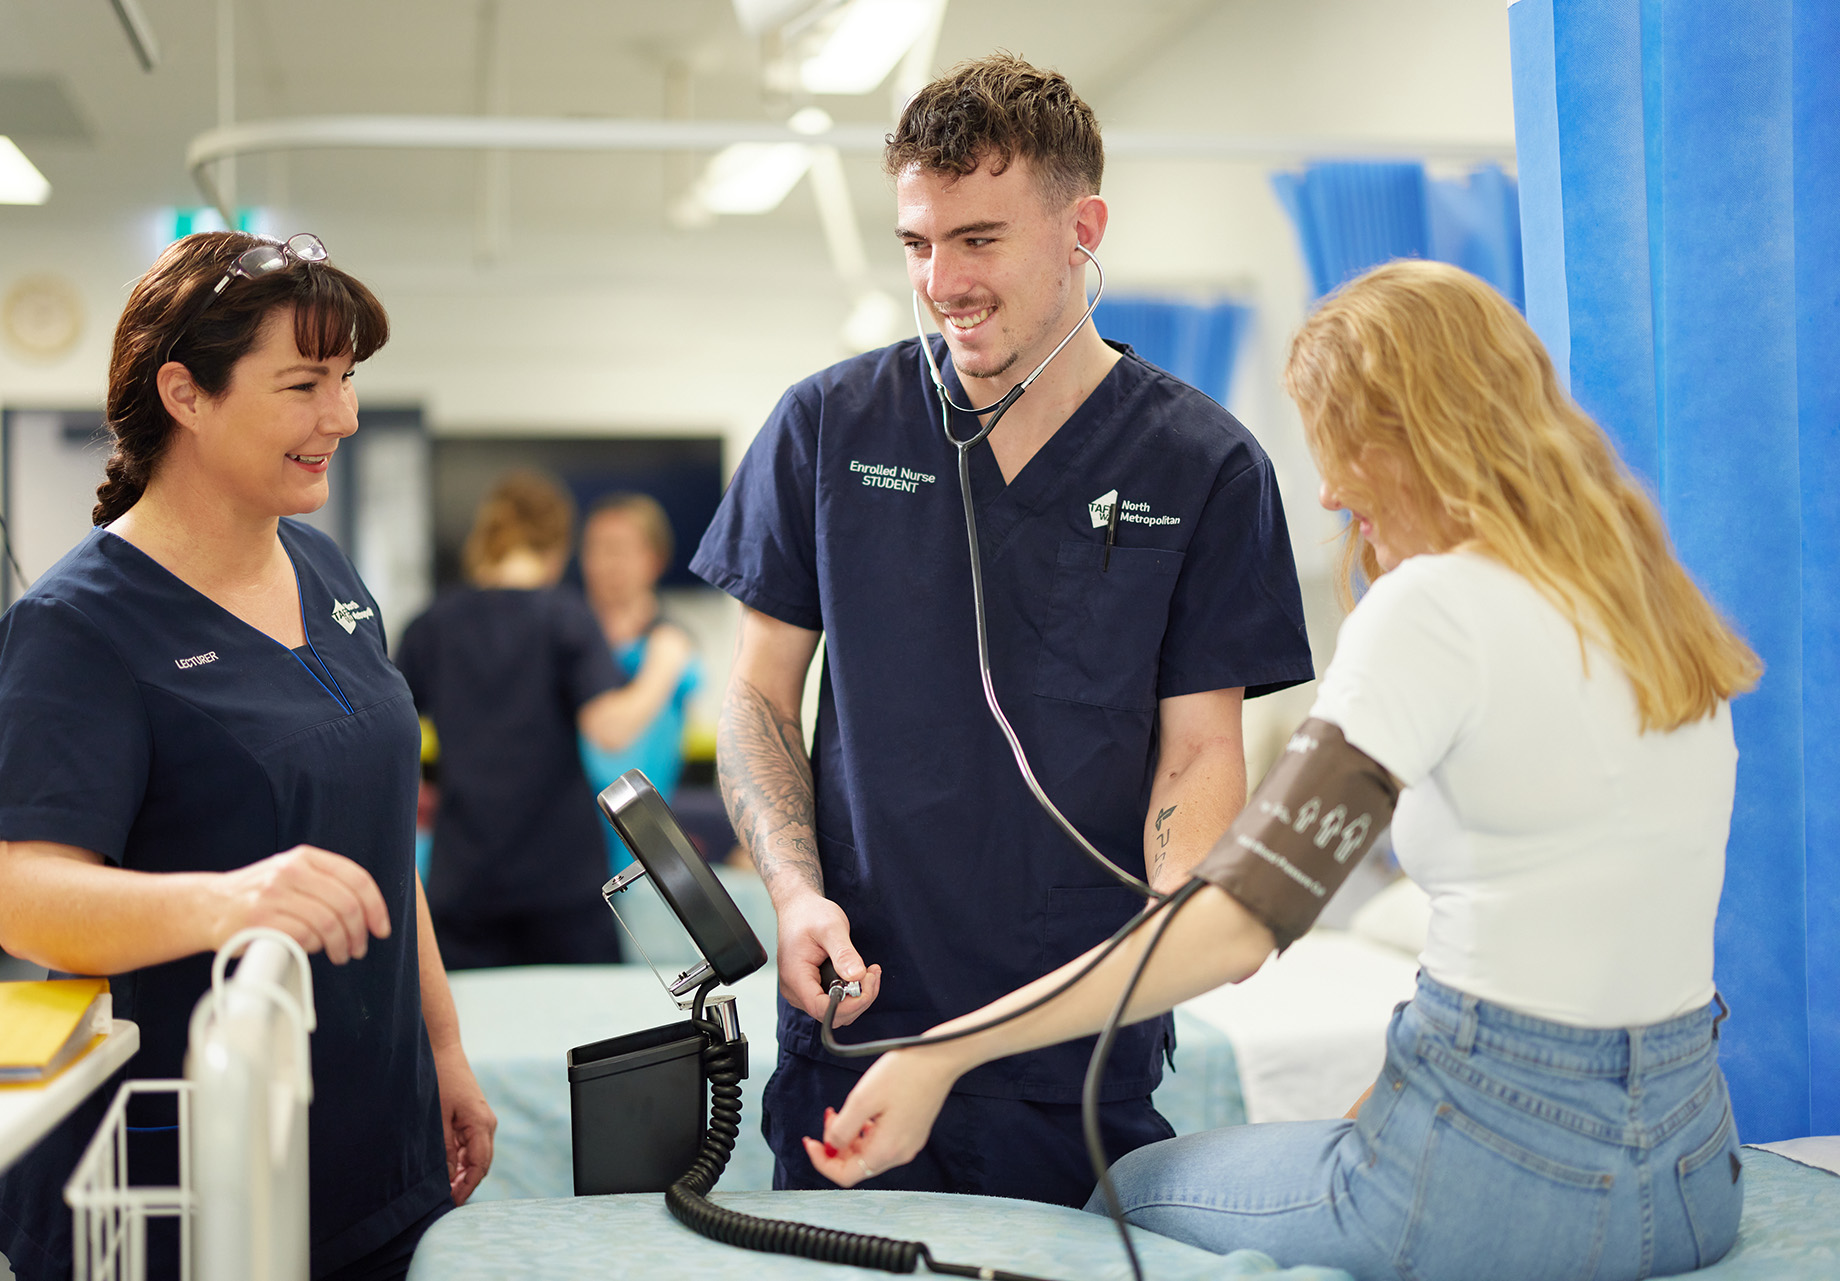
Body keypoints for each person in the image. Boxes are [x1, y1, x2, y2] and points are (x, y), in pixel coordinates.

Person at [806, 259, 1760, 1281]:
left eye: (1345, 446)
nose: (1332, 489)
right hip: (1695, 1165)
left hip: (1506, 1178)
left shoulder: (1433, 606)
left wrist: (940, 1053)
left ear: (1423, 434)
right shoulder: (1654, 611)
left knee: (1133, 1185)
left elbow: (1239, 926)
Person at [690, 54, 1315, 1205]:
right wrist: (792, 895)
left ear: (1084, 227)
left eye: (978, 240)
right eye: (918, 244)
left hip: (1078, 1042)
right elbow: (758, 699)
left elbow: (1201, 750)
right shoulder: (828, 427)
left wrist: (1173, 924)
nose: (941, 282)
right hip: (861, 1016)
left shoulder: (1202, 463)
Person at [0, 230, 496, 1281]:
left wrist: (443, 1049)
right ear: (186, 394)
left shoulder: (324, 566)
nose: (339, 417)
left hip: (371, 1136)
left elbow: (379, 840)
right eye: (302, 385)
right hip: (186, 1171)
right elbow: (25, 894)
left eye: (345, 380)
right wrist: (233, 902)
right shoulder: (79, 627)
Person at [397, 472, 692, 969]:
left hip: (465, 880)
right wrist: (667, 659)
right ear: (558, 545)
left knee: (477, 1035)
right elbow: (611, 729)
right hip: (561, 884)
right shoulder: (565, 616)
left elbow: (390, 731)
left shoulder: (432, 625)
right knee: (584, 1035)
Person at [579, 492, 701, 872]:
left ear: (654, 558)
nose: (605, 564)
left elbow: (614, 736)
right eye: (596, 549)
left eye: (618, 549)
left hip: (636, 852)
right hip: (564, 848)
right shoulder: (569, 643)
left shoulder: (672, 645)